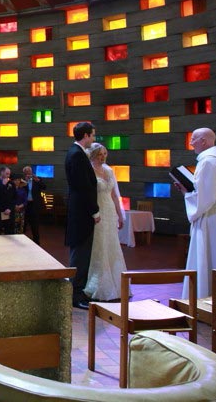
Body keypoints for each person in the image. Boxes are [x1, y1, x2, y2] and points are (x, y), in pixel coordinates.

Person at [174, 128, 216, 299]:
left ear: (203, 141)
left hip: (209, 217)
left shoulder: (209, 162)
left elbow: (205, 198)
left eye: (193, 139)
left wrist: (186, 193)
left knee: (207, 258)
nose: (191, 143)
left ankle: (203, 298)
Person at [83, 144, 127, 302]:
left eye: (105, 154)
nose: (103, 157)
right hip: (98, 210)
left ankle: (116, 282)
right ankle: (98, 283)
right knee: (100, 244)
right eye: (100, 154)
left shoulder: (109, 171)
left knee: (111, 244)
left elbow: (114, 195)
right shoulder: (88, 171)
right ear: (93, 155)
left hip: (110, 210)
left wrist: (120, 215)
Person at [65, 122, 100, 310]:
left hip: (79, 212)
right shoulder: (77, 155)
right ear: (85, 135)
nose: (93, 139)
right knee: (80, 255)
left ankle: (78, 291)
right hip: (82, 213)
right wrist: (95, 210)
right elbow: (83, 187)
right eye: (92, 135)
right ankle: (75, 295)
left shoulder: (75, 152)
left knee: (82, 254)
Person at [16, 166, 46, 244]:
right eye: (26, 172)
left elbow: (44, 187)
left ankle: (37, 242)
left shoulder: (37, 179)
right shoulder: (22, 181)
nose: (28, 173)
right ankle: (21, 242)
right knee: (23, 224)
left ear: (32, 172)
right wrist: (23, 183)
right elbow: (17, 190)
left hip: (34, 205)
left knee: (35, 225)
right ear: (24, 173)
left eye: (29, 171)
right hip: (25, 205)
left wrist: (38, 180)